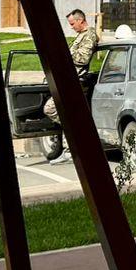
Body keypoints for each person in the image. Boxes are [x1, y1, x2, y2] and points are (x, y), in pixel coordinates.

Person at [43, 9, 100, 165]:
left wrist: (62, 53)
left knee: (51, 109)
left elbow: (83, 59)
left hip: (75, 83)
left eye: (73, 23)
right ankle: (70, 150)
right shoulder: (81, 35)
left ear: (81, 20)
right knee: (65, 114)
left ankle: (76, 138)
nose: (71, 27)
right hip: (68, 81)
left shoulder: (89, 35)